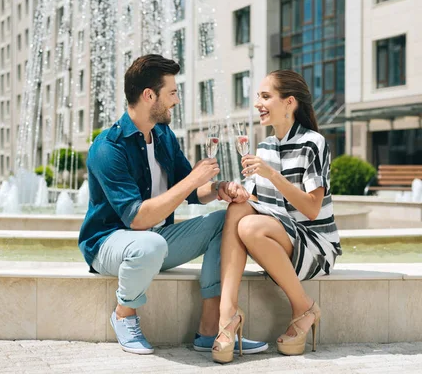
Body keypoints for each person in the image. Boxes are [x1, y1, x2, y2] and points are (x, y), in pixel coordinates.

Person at [78, 54, 268, 355]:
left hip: (157, 241)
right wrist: (194, 180)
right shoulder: (107, 148)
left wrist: (220, 188)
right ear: (148, 95)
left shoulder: (164, 136)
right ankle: (124, 314)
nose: (176, 101)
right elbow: (137, 219)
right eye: (172, 93)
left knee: (228, 220)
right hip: (109, 244)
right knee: (148, 244)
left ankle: (209, 328)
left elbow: (191, 191)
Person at [212, 70, 342, 364]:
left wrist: (271, 173)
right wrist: (236, 191)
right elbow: (259, 202)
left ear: (289, 102)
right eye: (258, 96)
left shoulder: (314, 143)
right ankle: (227, 314)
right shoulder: (266, 146)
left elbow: (311, 208)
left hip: (315, 246)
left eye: (266, 96)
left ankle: (304, 308)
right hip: (284, 239)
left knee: (250, 226)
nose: (258, 103)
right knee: (238, 210)